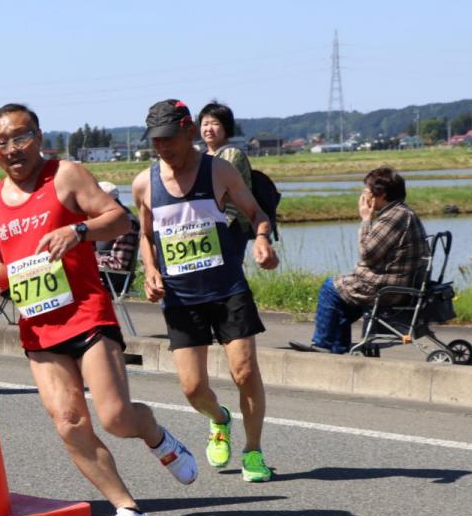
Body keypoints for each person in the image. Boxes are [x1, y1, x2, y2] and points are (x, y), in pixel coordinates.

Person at [0, 103, 198, 516]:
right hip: (38, 326)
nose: (14, 148)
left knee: (115, 417)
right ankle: (129, 511)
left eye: (22, 137)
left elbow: (118, 219)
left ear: (38, 136)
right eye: (3, 142)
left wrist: (77, 232)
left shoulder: (66, 176)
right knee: (69, 422)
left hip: (86, 313)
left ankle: (156, 435)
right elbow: (3, 261)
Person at [132, 99, 279, 483]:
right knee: (192, 387)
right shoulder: (144, 182)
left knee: (244, 371)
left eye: (169, 139)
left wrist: (263, 240)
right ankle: (219, 419)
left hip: (227, 287)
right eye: (155, 142)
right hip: (181, 297)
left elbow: (257, 214)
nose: (163, 148)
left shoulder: (220, 171)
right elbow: (145, 235)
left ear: (188, 130)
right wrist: (149, 268)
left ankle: (253, 451)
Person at [290, 166, 426, 355]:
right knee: (343, 301)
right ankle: (337, 348)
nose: (364, 195)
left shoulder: (394, 217)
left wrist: (365, 219)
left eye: (367, 191)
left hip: (386, 287)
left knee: (330, 288)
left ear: (381, 194)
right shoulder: (402, 212)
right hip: (395, 282)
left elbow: (367, 252)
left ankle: (322, 344)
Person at [198, 101, 255, 241]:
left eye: (215, 124)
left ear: (226, 127)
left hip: (231, 223)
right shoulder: (202, 156)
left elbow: (217, 190)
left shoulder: (232, 154)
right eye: (205, 124)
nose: (209, 129)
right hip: (208, 223)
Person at [94, 181, 140, 276]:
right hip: (100, 273)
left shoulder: (126, 224)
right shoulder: (106, 219)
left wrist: (90, 259)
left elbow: (118, 264)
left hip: (111, 279)